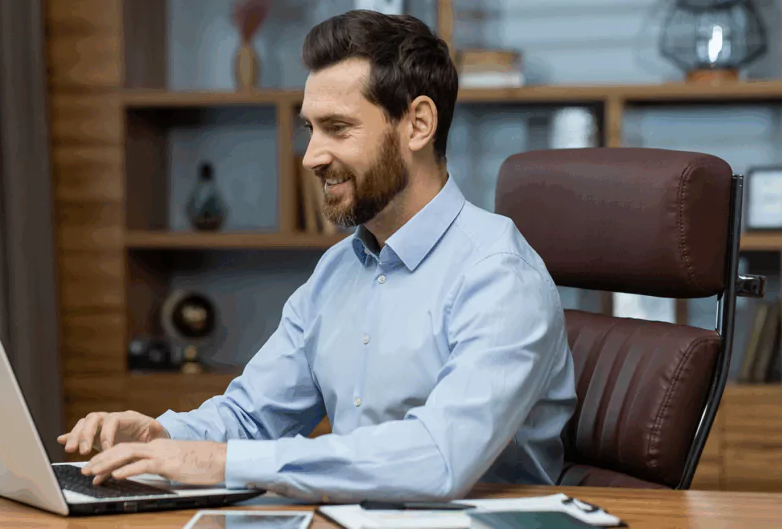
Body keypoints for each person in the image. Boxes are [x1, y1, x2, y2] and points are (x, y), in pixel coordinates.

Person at [57, 10, 577, 503]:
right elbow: (254, 415)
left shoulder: (499, 277)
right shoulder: (338, 270)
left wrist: (217, 462)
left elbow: (438, 459)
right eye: (310, 128)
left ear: (418, 124)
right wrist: (164, 434)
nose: (310, 157)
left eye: (338, 127)